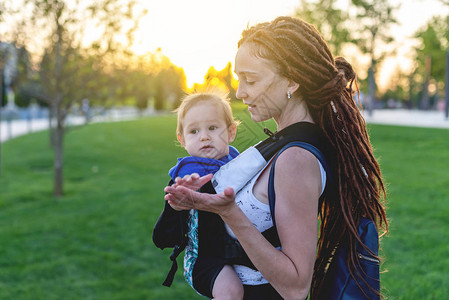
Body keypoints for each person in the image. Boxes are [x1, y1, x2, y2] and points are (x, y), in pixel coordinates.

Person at [164, 16, 388, 300]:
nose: (240, 91)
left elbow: (295, 287)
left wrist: (229, 212)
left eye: (251, 80)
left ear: (292, 81)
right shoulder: (283, 142)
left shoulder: (296, 159)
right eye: (238, 79)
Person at [159, 88, 244, 299]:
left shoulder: (241, 165)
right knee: (232, 292)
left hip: (241, 252)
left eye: (213, 128)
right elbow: (161, 238)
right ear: (182, 139)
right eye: (194, 131)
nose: (205, 137)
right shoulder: (186, 180)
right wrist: (176, 206)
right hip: (206, 260)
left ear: (231, 132)